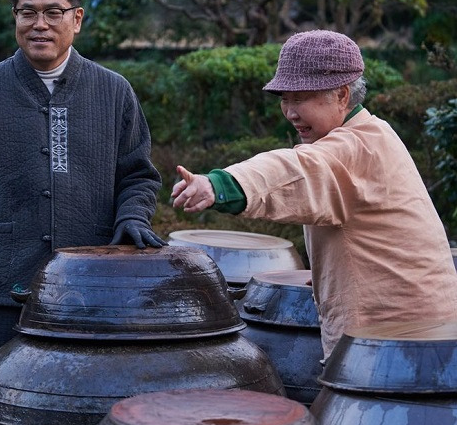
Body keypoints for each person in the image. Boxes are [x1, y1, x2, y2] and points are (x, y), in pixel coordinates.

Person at [172, 30, 457, 360]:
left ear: (342, 95)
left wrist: (220, 185)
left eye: (301, 98)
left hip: (398, 339)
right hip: (422, 330)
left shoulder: (352, 148)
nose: (291, 112)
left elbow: (293, 170)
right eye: (285, 99)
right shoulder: (373, 132)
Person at [0, 0, 165, 353]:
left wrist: (132, 216)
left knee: (86, 393)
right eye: (28, 13)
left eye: (53, 12)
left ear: (76, 18)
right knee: (8, 392)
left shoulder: (114, 91)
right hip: (9, 280)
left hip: (94, 279)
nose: (40, 24)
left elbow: (138, 175)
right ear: (15, 17)